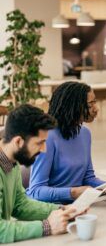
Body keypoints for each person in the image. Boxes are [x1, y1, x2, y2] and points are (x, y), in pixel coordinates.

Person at [26, 82, 106, 203]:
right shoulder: (47, 136)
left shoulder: (85, 134)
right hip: (52, 209)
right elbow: (36, 191)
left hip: (78, 205)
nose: (96, 108)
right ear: (72, 106)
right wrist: (73, 192)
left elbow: (88, 178)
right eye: (90, 105)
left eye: (95, 102)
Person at [0, 104, 79, 243]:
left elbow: (20, 205)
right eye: (39, 143)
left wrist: (62, 210)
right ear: (18, 141)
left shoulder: (12, 160)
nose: (44, 149)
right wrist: (47, 227)